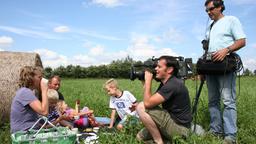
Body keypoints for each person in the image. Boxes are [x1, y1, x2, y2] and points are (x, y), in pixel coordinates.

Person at [202, 0, 246, 143]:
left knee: (228, 101)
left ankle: (230, 136)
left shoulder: (231, 20)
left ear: (220, 7)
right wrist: (202, 68)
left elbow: (241, 41)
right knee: (212, 100)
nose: (209, 12)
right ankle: (216, 130)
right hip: (210, 67)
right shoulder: (210, 26)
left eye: (211, 9)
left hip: (225, 66)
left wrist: (226, 50)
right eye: (206, 11)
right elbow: (207, 48)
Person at [136, 56, 192, 144]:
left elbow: (147, 104)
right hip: (171, 122)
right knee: (140, 137)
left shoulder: (172, 85)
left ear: (169, 69)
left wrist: (148, 81)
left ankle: (159, 142)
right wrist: (145, 82)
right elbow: (151, 101)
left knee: (141, 107)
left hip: (180, 128)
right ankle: (167, 141)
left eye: (159, 67)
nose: (155, 69)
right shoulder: (166, 83)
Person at [10, 66, 48, 133]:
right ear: (31, 78)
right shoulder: (25, 92)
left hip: (28, 130)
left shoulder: (27, 92)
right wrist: (44, 90)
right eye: (39, 77)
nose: (41, 80)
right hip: (24, 133)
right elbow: (44, 111)